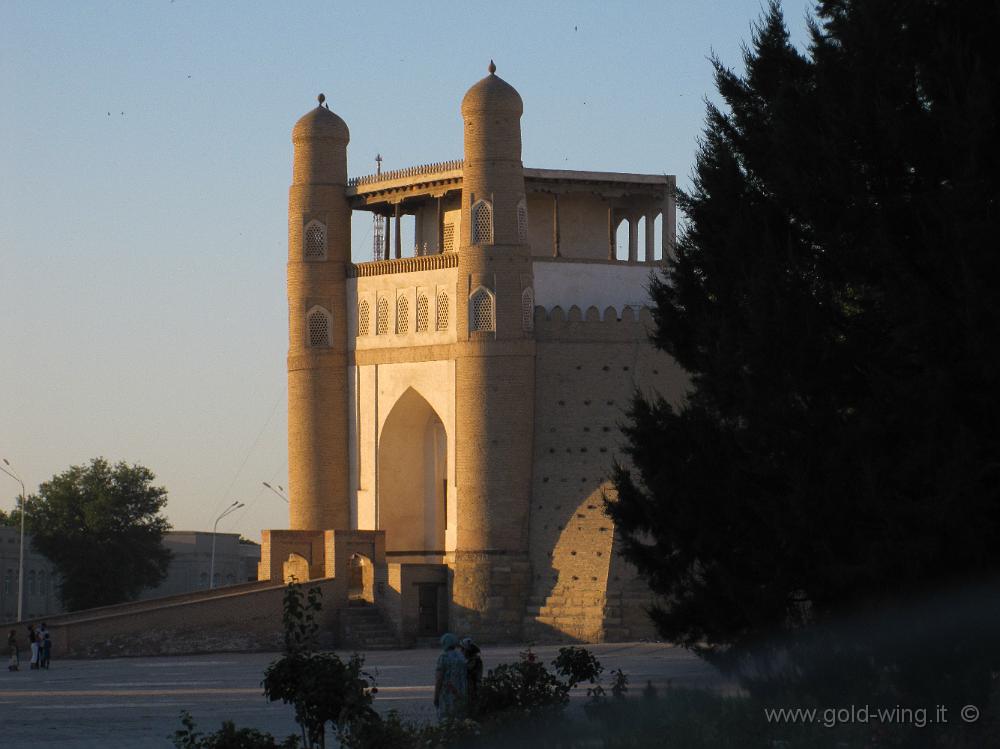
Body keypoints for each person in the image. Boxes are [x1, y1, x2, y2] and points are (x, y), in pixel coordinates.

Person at [433, 632, 468, 722]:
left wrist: (436, 696)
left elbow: (439, 678)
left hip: (448, 693)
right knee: (460, 718)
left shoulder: (443, 657)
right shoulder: (461, 656)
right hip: (461, 692)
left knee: (447, 720)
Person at [460, 637, 483, 706]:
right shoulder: (470, 659)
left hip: (473, 688)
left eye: (462, 649)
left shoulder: (475, 660)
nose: (461, 651)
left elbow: (467, 671)